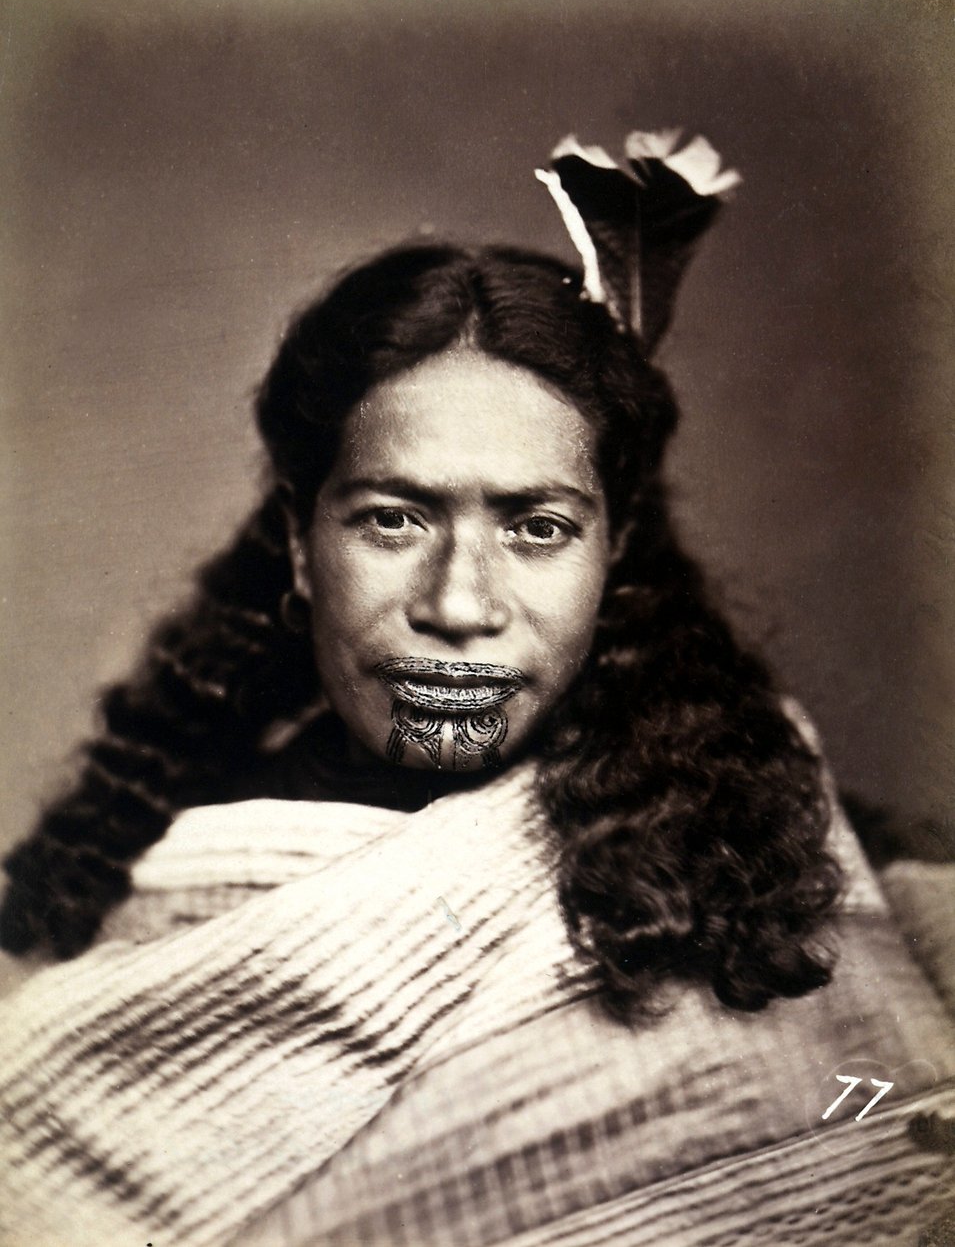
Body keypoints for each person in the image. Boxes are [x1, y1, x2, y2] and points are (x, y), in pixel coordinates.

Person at [0, 133, 952, 1247]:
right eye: (392, 519)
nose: (459, 603)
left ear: (615, 552)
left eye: (537, 528)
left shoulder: (764, 866)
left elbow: (884, 1145)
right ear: (304, 550)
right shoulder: (153, 891)